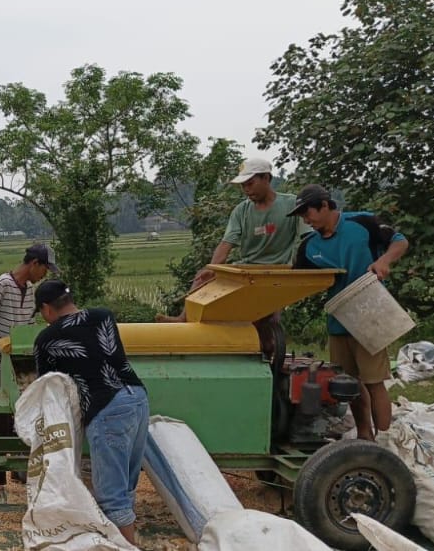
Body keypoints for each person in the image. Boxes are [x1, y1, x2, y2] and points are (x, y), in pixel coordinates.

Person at [157, 158, 311, 364]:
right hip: (246, 272)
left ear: (266, 178)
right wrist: (212, 268)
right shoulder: (241, 211)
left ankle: (269, 361)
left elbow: (308, 238)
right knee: (203, 276)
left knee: (267, 327)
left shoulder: (290, 204)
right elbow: (226, 244)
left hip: (275, 275)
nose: (246, 190)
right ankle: (184, 318)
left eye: (250, 183)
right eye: (243, 185)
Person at [289, 184, 408, 440]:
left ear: (324, 205)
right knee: (348, 383)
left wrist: (384, 261)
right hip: (337, 318)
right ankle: (364, 435)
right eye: (301, 216)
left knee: (374, 381)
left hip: (370, 313)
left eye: (307, 213)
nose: (306, 220)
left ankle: (385, 440)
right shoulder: (309, 246)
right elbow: (295, 280)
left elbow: (400, 241)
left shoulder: (362, 223)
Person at [33, 280, 148, 543]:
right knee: (126, 484)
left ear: (47, 308)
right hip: (136, 398)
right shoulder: (103, 316)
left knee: (111, 495)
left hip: (106, 407)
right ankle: (124, 539)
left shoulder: (46, 339)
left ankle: (126, 547)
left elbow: (47, 387)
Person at [0, 242, 58, 498]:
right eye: (45, 269)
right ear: (34, 264)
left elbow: (27, 322)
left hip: (17, 363)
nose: (45, 275)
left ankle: (18, 469)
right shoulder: (2, 285)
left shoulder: (29, 290)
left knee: (21, 415)